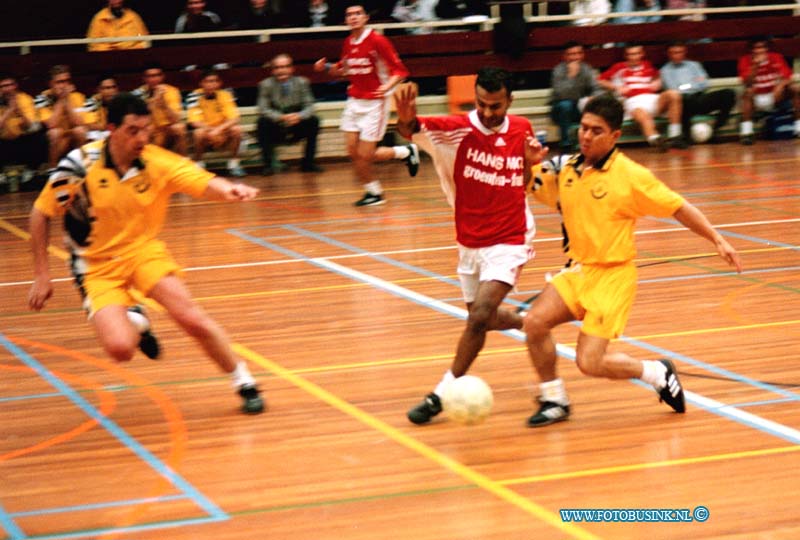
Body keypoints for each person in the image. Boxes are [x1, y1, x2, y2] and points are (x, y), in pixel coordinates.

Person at [27, 92, 265, 415]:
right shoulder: (79, 165)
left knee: (190, 317)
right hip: (94, 265)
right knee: (121, 349)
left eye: (146, 130)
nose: (142, 138)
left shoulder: (157, 161)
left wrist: (229, 189)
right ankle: (137, 319)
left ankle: (244, 381)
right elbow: (40, 214)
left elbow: (202, 181)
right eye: (133, 131)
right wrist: (42, 275)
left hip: (143, 253)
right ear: (111, 129)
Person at [522, 94, 742, 427]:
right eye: (583, 127)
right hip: (579, 271)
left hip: (613, 279)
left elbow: (678, 207)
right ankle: (554, 398)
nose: (586, 135)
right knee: (534, 322)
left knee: (590, 363)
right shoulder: (567, 168)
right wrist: (527, 161)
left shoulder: (630, 176)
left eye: (596, 130)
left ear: (615, 136)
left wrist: (717, 239)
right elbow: (530, 184)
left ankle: (656, 372)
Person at [394, 68, 541, 425]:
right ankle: (535, 323)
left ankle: (441, 394)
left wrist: (529, 162)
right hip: (470, 241)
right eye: (482, 105)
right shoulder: (456, 130)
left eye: (496, 106)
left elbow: (520, 181)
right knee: (485, 318)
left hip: (510, 236)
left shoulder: (522, 127)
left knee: (477, 317)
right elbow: (413, 129)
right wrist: (405, 119)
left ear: (510, 101)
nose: (489, 113)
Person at [314, 3, 420, 207]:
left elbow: (400, 70)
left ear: (365, 18)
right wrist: (325, 67)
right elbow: (344, 70)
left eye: (357, 14)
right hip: (354, 101)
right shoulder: (348, 42)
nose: (353, 17)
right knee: (354, 153)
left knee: (365, 155)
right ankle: (375, 190)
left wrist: (387, 85)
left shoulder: (377, 40)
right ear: (345, 20)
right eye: (349, 15)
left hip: (375, 103)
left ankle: (404, 154)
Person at [597, 43, 685, 151]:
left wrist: (657, 82)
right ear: (626, 56)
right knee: (641, 113)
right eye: (631, 54)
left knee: (674, 94)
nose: (634, 57)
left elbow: (658, 76)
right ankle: (655, 139)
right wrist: (616, 87)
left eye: (637, 53)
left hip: (652, 98)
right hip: (633, 101)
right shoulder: (619, 67)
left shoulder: (647, 65)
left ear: (642, 54)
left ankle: (675, 136)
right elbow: (600, 80)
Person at [257, 54, 322, 175]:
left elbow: (310, 106)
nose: (282, 70)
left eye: (285, 67)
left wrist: (299, 116)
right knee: (262, 122)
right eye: (278, 67)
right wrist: (281, 117)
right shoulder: (265, 85)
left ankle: (308, 163)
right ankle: (268, 165)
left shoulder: (302, 82)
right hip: (277, 124)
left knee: (314, 120)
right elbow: (263, 109)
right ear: (273, 70)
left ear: (292, 69)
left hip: (297, 122)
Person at [660, 41, 736, 144]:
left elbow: (704, 83)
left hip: (700, 98)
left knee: (728, 94)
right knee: (680, 100)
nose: (677, 55)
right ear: (668, 54)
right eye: (674, 52)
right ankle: (686, 137)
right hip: (684, 101)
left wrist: (685, 86)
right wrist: (692, 84)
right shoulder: (665, 70)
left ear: (685, 52)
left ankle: (716, 129)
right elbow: (673, 89)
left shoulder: (694, 65)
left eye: (680, 52)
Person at [737, 37, 800, 145]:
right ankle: (746, 133)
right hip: (757, 98)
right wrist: (755, 66)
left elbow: (788, 77)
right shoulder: (744, 60)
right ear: (752, 50)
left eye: (763, 47)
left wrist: (780, 85)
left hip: (775, 96)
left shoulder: (776, 57)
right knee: (747, 92)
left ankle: (798, 128)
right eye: (757, 48)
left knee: (795, 88)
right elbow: (747, 82)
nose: (760, 50)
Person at [186, 68, 246, 177]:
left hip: (222, 133)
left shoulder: (226, 94)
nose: (212, 84)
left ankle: (234, 164)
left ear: (219, 83)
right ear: (201, 83)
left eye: (215, 81)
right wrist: (212, 131)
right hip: (206, 134)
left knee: (237, 129)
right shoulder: (193, 96)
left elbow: (234, 118)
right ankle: (199, 163)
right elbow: (194, 122)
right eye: (208, 81)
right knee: (198, 133)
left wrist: (218, 130)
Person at [35, 65, 89, 167]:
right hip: (51, 141)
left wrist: (67, 101)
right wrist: (61, 100)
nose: (64, 85)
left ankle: (78, 166)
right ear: (51, 84)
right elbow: (51, 124)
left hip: (71, 136)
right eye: (60, 82)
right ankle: (52, 167)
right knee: (55, 132)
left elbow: (80, 123)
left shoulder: (78, 97)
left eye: (67, 81)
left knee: (80, 131)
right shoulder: (41, 98)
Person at [550, 41, 600, 152]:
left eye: (578, 53)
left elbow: (597, 88)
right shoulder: (558, 70)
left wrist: (593, 97)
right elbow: (562, 94)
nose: (576, 57)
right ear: (565, 56)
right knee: (565, 105)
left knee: (597, 103)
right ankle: (566, 144)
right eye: (572, 54)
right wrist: (571, 76)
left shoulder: (587, 69)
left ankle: (595, 143)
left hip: (580, 108)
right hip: (560, 110)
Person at [0, 75, 47, 186]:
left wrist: (19, 111)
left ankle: (31, 170)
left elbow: (32, 127)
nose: (8, 88)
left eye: (10, 85)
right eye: (3, 86)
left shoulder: (25, 99)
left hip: (23, 141)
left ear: (16, 86)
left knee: (39, 136)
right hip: (3, 142)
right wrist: (9, 111)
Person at [133, 63, 188, 156]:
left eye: (158, 75)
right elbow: (140, 119)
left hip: (167, 132)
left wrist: (163, 105)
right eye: (151, 76)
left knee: (179, 128)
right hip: (149, 131)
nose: (155, 79)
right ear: (144, 79)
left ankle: (185, 161)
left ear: (162, 77)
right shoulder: (138, 93)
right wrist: (155, 100)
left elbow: (177, 120)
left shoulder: (172, 91)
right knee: (146, 129)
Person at [86, 75, 120, 141]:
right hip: (99, 133)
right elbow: (90, 125)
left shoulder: (121, 100)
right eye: (107, 88)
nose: (111, 91)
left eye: (114, 87)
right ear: (99, 90)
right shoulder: (91, 102)